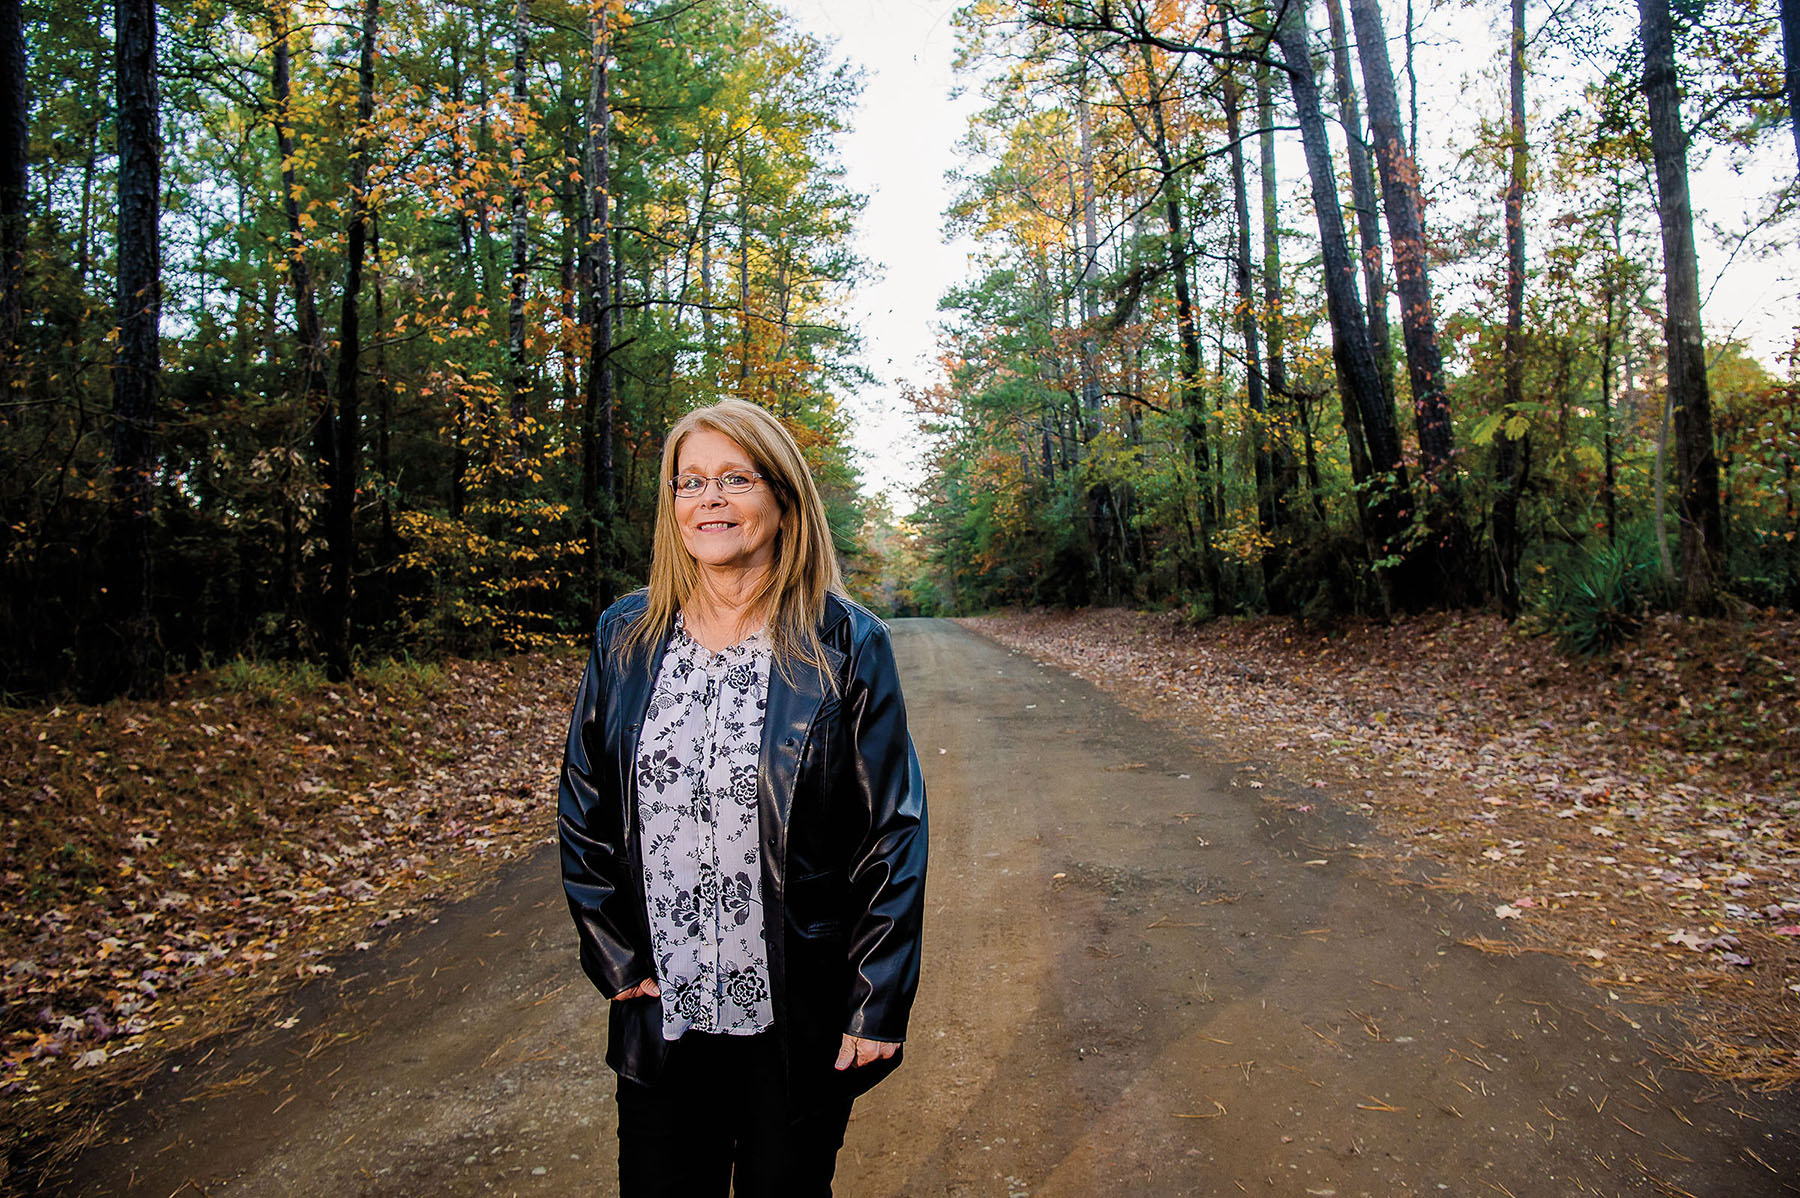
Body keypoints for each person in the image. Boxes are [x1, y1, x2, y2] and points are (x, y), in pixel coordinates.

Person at [558, 398, 928, 1196]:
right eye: (690, 483)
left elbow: (891, 834)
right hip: (667, 1005)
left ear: (783, 497)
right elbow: (585, 805)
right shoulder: (626, 636)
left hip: (794, 1006)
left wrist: (877, 1000)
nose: (709, 500)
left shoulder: (847, 642)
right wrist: (616, 957)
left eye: (734, 478)